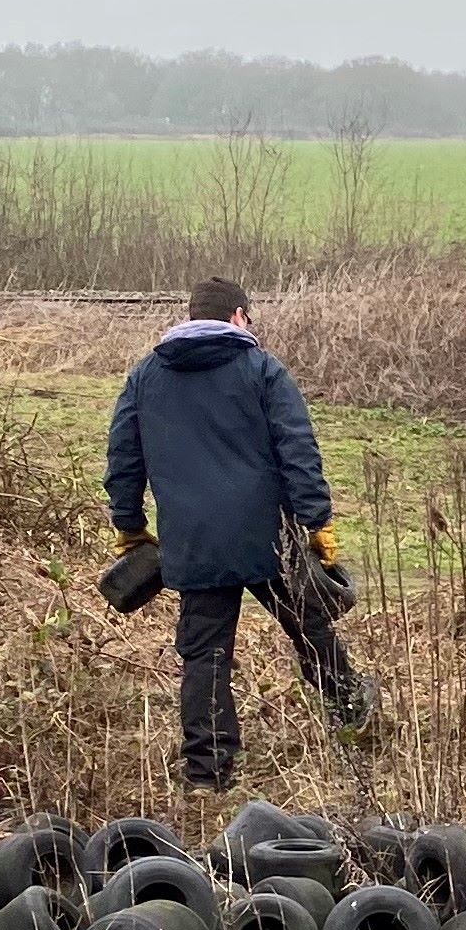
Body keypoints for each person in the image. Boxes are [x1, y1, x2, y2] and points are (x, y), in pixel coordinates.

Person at [104, 275, 374, 788]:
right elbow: (299, 453)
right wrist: (317, 524)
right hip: (267, 537)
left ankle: (207, 774)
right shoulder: (263, 371)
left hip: (193, 540)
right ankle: (352, 713)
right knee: (309, 626)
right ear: (238, 316)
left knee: (204, 655)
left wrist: (131, 528)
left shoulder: (146, 377)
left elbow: (123, 458)